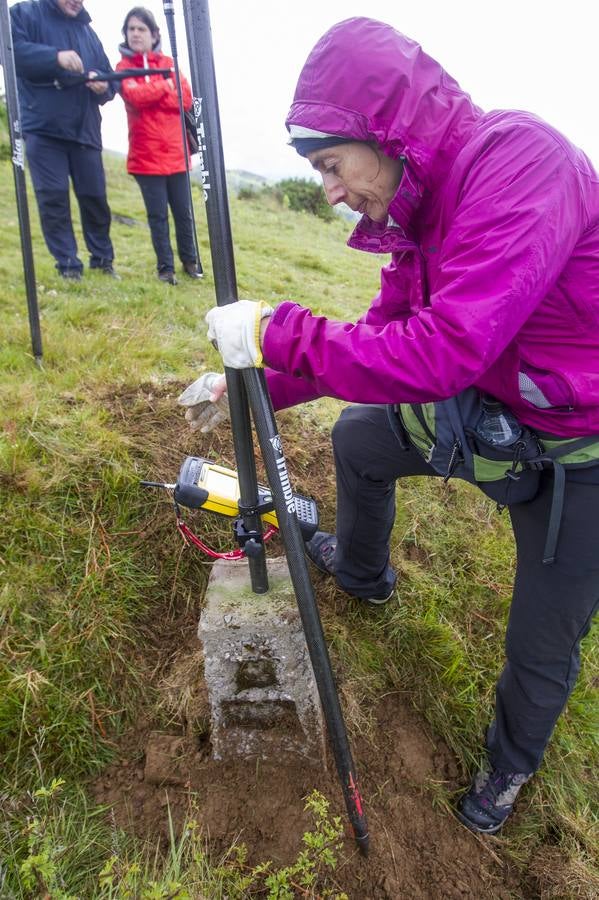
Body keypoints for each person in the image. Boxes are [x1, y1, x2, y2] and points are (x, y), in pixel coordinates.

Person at [179, 18, 599, 835]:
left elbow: (441, 351)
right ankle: (364, 576)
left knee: (541, 639)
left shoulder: (522, 165)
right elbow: (382, 338)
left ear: (387, 132)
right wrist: (255, 382)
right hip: (491, 420)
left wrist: (277, 328)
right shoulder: (424, 211)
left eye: (331, 166)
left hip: (581, 454)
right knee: (360, 439)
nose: (329, 190)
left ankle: (504, 773)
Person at [10, 0, 119, 280]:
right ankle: (68, 265)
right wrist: (54, 57)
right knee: (53, 198)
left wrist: (104, 85)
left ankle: (103, 260)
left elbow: (111, 80)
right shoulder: (23, 14)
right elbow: (12, 53)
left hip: (86, 130)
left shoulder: (88, 32)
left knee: (95, 198)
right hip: (43, 127)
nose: (77, 1)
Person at [116, 7, 203, 286]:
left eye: (141, 29)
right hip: (145, 157)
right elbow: (134, 96)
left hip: (176, 155)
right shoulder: (123, 68)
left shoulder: (169, 62)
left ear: (154, 34)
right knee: (157, 217)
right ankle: (165, 269)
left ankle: (191, 262)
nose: (136, 34)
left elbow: (186, 99)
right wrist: (166, 86)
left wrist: (159, 90)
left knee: (183, 213)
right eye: (131, 29)